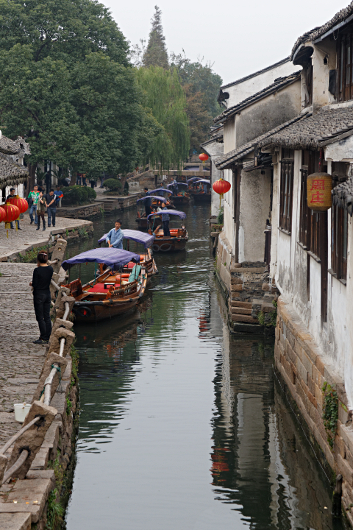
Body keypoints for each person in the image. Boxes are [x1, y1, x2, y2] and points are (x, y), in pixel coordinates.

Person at [29, 251, 53, 344]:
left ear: (38, 260)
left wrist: (31, 283)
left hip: (39, 294)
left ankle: (43, 337)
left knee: (40, 317)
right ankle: (48, 336)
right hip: (47, 294)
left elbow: (35, 284)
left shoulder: (37, 270)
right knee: (47, 316)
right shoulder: (50, 269)